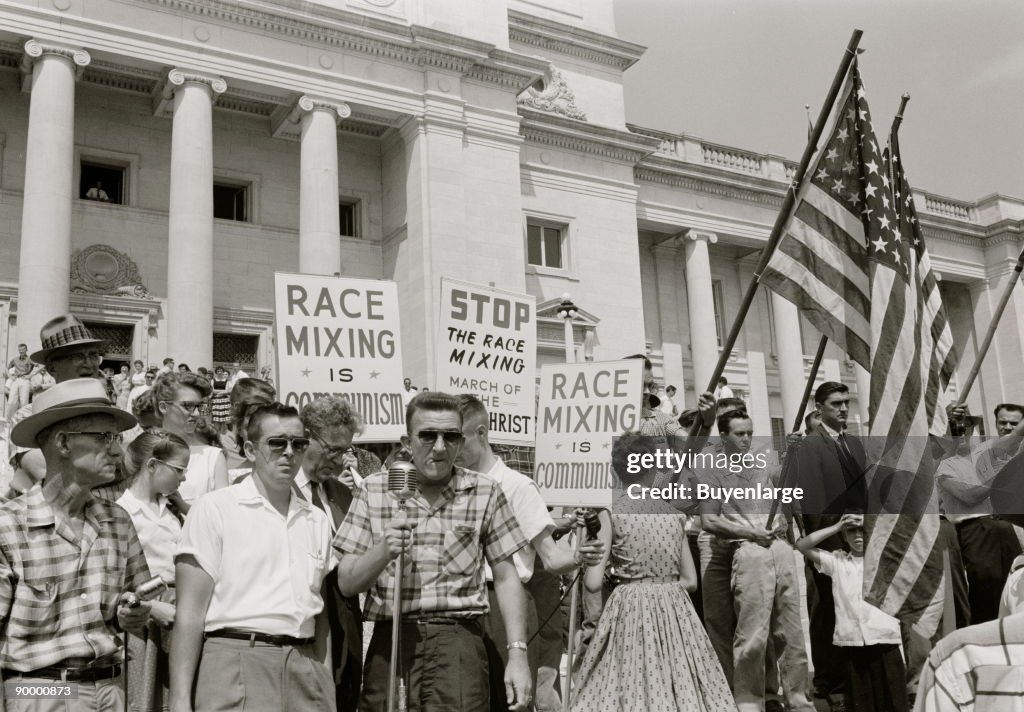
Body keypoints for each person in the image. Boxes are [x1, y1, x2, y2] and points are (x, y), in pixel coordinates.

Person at [334, 391, 533, 712]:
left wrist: (518, 655)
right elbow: (346, 581)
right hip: (392, 641)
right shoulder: (374, 488)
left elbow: (507, 576)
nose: (440, 447)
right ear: (407, 441)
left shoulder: (485, 491)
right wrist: (383, 550)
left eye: (451, 436)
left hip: (460, 645)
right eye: (428, 435)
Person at [170, 403, 336, 712]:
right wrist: (180, 700)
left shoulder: (317, 520)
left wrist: (325, 685)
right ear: (249, 449)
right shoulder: (215, 508)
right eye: (277, 443)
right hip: (237, 657)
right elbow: (189, 613)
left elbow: (321, 614)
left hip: (305, 664)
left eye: (298, 443)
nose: (289, 452)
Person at [0, 378, 152, 711]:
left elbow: (135, 603)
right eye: (104, 438)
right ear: (63, 444)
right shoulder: (8, 526)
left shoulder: (118, 521)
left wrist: (131, 613)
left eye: (117, 438)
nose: (117, 450)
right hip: (38, 691)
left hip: (110, 688)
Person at [455, 395, 605, 712]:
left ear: (481, 433)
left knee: (511, 700)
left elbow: (550, 558)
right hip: (459, 604)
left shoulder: (518, 486)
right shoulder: (452, 484)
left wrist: (580, 556)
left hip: (503, 604)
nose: (451, 449)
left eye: (460, 438)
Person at [570, 433, 734, 711]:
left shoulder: (611, 513)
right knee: (681, 681)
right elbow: (691, 581)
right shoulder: (673, 513)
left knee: (627, 684)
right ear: (654, 467)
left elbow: (594, 582)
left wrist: (588, 549)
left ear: (615, 470)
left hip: (629, 606)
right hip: (675, 607)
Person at [699, 410, 813, 712]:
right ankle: (749, 702)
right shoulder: (713, 472)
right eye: (739, 434)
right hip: (748, 550)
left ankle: (799, 699)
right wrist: (747, 532)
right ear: (724, 437)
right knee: (751, 632)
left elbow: (788, 486)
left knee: (790, 631)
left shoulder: (763, 463)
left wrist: (793, 454)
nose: (746, 439)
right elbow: (709, 520)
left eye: (749, 432)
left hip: (779, 547)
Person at [297, 395, 381, 712]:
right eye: (332, 448)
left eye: (345, 450)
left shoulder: (343, 493)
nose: (338, 459)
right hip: (303, 632)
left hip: (345, 629)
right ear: (304, 435)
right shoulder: (278, 492)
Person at [793, 381, 867, 704]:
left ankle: (853, 673)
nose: (843, 408)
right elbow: (813, 502)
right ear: (819, 407)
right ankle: (827, 679)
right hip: (829, 542)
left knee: (852, 607)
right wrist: (827, 545)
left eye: (846, 402)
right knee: (826, 610)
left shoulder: (854, 444)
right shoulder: (811, 445)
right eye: (836, 403)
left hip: (857, 540)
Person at [797, 513, 907, 712]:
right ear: (844, 536)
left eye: (862, 531)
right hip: (853, 642)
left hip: (884, 640)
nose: (858, 536)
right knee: (862, 702)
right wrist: (838, 527)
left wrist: (871, 523)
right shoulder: (837, 562)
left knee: (892, 701)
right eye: (852, 531)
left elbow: (900, 533)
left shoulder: (885, 558)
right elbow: (802, 545)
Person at [117, 430, 190, 712]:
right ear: (152, 465)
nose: (183, 478)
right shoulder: (122, 511)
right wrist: (152, 608)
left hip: (179, 609)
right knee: (146, 697)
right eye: (179, 470)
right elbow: (115, 581)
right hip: (147, 615)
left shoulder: (172, 509)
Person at [150, 372, 227, 506]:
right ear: (163, 407)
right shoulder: (143, 450)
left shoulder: (212, 457)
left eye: (199, 406)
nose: (196, 414)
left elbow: (223, 513)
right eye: (187, 406)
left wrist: (184, 508)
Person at [218, 377, 276, 477]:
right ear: (237, 407)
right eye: (260, 407)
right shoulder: (220, 448)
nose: (267, 414)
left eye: (271, 407)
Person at [6, 343, 41, 419]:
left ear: (26, 350)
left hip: (25, 380)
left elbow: (40, 366)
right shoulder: (15, 359)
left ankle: (22, 420)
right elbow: (6, 368)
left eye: (23, 350)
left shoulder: (30, 359)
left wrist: (30, 375)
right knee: (11, 401)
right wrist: (10, 376)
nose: (21, 351)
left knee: (24, 402)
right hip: (16, 380)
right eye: (20, 350)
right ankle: (8, 420)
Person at [208, 366, 231, 432]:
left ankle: (223, 435)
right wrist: (221, 392)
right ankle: (216, 434)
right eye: (218, 371)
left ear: (223, 372)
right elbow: (212, 390)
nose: (219, 372)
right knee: (216, 420)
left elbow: (227, 391)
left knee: (224, 420)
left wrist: (219, 392)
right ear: (216, 372)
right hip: (216, 401)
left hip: (224, 401)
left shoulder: (227, 381)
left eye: (221, 371)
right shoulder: (213, 380)